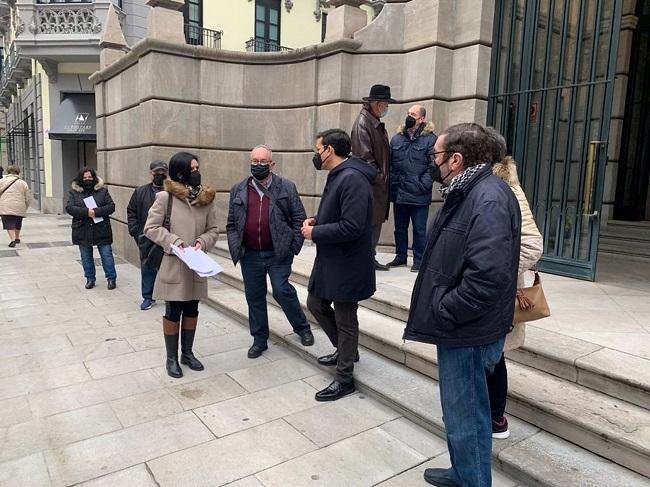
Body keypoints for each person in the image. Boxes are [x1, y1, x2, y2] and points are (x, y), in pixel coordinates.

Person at [403, 123, 521, 487]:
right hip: (462, 329)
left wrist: (445, 309)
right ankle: (462, 472)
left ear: (456, 159)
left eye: (436, 155)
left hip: (467, 331)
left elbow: (487, 277)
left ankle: (472, 481)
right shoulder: (468, 191)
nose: (432, 161)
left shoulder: (487, 197)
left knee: (468, 417)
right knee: (460, 414)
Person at [303, 129, 376, 401]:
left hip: (348, 263)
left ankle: (344, 378)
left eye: (317, 148)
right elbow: (338, 214)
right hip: (333, 259)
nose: (316, 154)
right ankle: (347, 350)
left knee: (346, 318)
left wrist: (316, 233)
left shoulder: (352, 178)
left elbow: (352, 226)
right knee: (316, 303)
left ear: (329, 150)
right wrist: (317, 221)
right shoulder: (340, 176)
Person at [226, 145, 314, 359]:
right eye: (254, 161)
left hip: (278, 253)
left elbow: (298, 219)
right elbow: (231, 224)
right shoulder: (238, 189)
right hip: (250, 255)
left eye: (263, 161)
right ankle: (259, 339)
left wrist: (293, 246)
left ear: (272, 164)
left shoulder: (286, 187)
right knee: (254, 296)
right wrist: (235, 245)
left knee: (282, 290)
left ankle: (303, 328)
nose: (258, 165)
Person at [486, 128, 544, 440]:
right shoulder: (481, 185)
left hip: (500, 289)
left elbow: (533, 245)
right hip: (486, 291)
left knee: (495, 356)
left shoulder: (508, 187)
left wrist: (495, 270)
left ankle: (497, 418)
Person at [144, 152, 219, 379]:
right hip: (174, 265)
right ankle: (172, 358)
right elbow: (151, 228)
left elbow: (214, 230)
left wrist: (201, 242)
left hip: (196, 265)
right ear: (180, 172)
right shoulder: (165, 198)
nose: (197, 172)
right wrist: (175, 242)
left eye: (198, 167)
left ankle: (187, 353)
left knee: (192, 309)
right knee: (173, 311)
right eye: (192, 169)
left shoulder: (205, 198)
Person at [387, 105, 437, 272]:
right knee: (399, 228)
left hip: (419, 193)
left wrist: (423, 183)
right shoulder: (397, 139)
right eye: (408, 113)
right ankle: (400, 256)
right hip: (399, 192)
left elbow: (434, 166)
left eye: (413, 114)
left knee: (419, 229)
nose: (409, 116)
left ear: (422, 119)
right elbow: (390, 164)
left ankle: (418, 260)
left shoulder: (430, 139)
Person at [351, 84, 394, 271]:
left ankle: (369, 257)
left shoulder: (374, 122)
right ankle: (364, 260)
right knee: (369, 226)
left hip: (378, 187)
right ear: (377, 104)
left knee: (374, 225)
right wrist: (380, 178)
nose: (386, 108)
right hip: (372, 187)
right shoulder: (363, 123)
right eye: (386, 104)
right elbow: (365, 159)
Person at [127, 160, 169, 311]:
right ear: (151, 174)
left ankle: (168, 296)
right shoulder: (140, 192)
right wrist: (135, 230)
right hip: (146, 238)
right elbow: (131, 211)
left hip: (166, 237)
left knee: (167, 268)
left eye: (162, 173)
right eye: (156, 173)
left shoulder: (172, 192)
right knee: (147, 268)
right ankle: (147, 297)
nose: (159, 175)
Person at [66, 167, 117, 290]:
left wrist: (96, 212)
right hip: (82, 229)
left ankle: (111, 278)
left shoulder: (103, 191)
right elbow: (69, 208)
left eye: (90, 177)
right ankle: (90, 279)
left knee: (106, 254)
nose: (87, 179)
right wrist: (86, 212)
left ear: (94, 178)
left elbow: (111, 207)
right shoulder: (74, 192)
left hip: (101, 228)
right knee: (86, 256)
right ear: (80, 179)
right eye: (85, 178)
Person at [0, 165, 31, 248]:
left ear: (7, 172)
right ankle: (17, 237)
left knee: (9, 223)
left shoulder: (1, 181)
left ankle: (12, 239)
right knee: (17, 222)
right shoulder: (23, 183)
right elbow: (28, 197)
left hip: (5, 205)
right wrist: (26, 206)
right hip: (19, 206)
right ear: (18, 172)